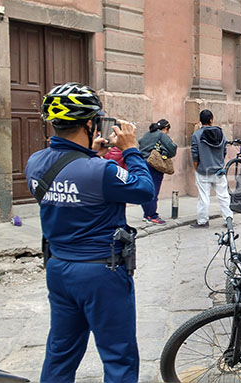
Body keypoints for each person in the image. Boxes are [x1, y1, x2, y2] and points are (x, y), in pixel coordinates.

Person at [25, 82, 154, 382]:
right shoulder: (102, 172)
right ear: (89, 123)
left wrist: (91, 155)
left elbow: (71, 181)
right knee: (118, 356)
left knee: (60, 353)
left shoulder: (34, 164)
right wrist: (131, 149)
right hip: (101, 274)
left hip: (58, 269)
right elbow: (145, 190)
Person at [190, 109, 234, 228]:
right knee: (224, 196)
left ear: (200, 121)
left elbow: (195, 154)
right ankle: (228, 219)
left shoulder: (196, 135)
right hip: (218, 170)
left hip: (203, 170)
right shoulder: (221, 133)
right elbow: (224, 150)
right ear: (211, 120)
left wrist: (197, 167)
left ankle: (203, 221)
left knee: (203, 197)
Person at [138, 119, 177, 224]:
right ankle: (152, 215)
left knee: (145, 189)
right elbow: (172, 149)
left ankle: (146, 214)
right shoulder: (162, 135)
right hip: (154, 165)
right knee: (154, 190)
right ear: (166, 128)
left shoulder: (147, 134)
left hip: (142, 163)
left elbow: (140, 143)